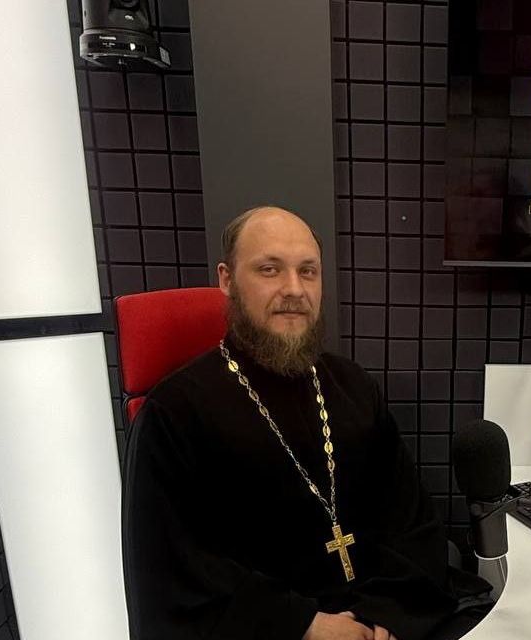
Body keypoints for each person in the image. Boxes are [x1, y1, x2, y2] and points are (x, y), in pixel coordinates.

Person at [122, 206, 488, 640]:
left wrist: (384, 617)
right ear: (227, 279)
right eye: (270, 269)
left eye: (308, 271)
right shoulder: (174, 413)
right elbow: (174, 574)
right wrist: (304, 625)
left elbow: (411, 524)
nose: (294, 289)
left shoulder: (354, 388)